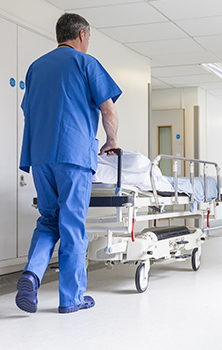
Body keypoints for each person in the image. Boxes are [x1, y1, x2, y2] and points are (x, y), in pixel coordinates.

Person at [15, 13, 122, 314]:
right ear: (83, 34)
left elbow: (28, 114)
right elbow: (108, 111)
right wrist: (111, 141)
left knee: (49, 219)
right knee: (72, 224)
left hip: (40, 156)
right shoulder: (87, 63)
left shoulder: (36, 68)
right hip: (73, 157)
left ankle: (32, 274)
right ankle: (71, 298)